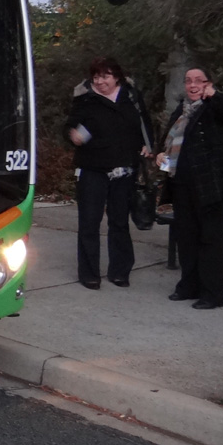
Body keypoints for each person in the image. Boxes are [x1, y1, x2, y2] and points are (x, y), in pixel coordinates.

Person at [155, 67, 223, 310]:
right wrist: (162, 154)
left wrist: (213, 95)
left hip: (211, 187)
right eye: (188, 81)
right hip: (182, 184)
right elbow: (169, 139)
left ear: (208, 83)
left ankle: (213, 294)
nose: (192, 85)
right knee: (186, 238)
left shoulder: (215, 107)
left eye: (199, 81)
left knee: (209, 240)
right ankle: (189, 285)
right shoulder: (182, 110)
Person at [63, 57, 154, 289]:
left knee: (119, 221)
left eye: (106, 77)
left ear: (117, 77)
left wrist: (147, 145)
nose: (100, 82)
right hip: (92, 168)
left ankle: (120, 271)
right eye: (96, 77)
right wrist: (73, 134)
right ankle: (89, 273)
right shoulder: (85, 99)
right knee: (89, 222)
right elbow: (68, 126)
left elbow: (144, 124)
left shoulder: (131, 96)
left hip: (124, 168)